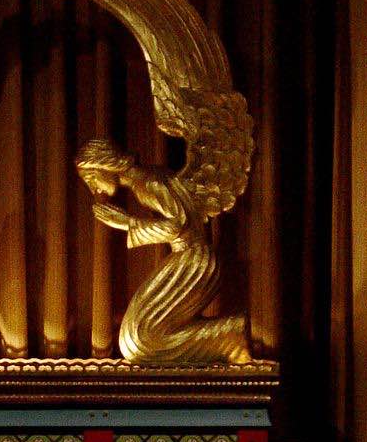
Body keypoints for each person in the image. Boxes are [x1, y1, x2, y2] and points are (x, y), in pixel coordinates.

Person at [76, 139, 250, 364]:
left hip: (193, 260)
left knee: (140, 340)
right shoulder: (147, 179)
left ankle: (228, 335)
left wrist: (126, 222)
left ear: (103, 165)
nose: (93, 188)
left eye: (91, 178)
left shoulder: (148, 183)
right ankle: (225, 335)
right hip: (189, 257)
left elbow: (177, 226)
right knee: (136, 339)